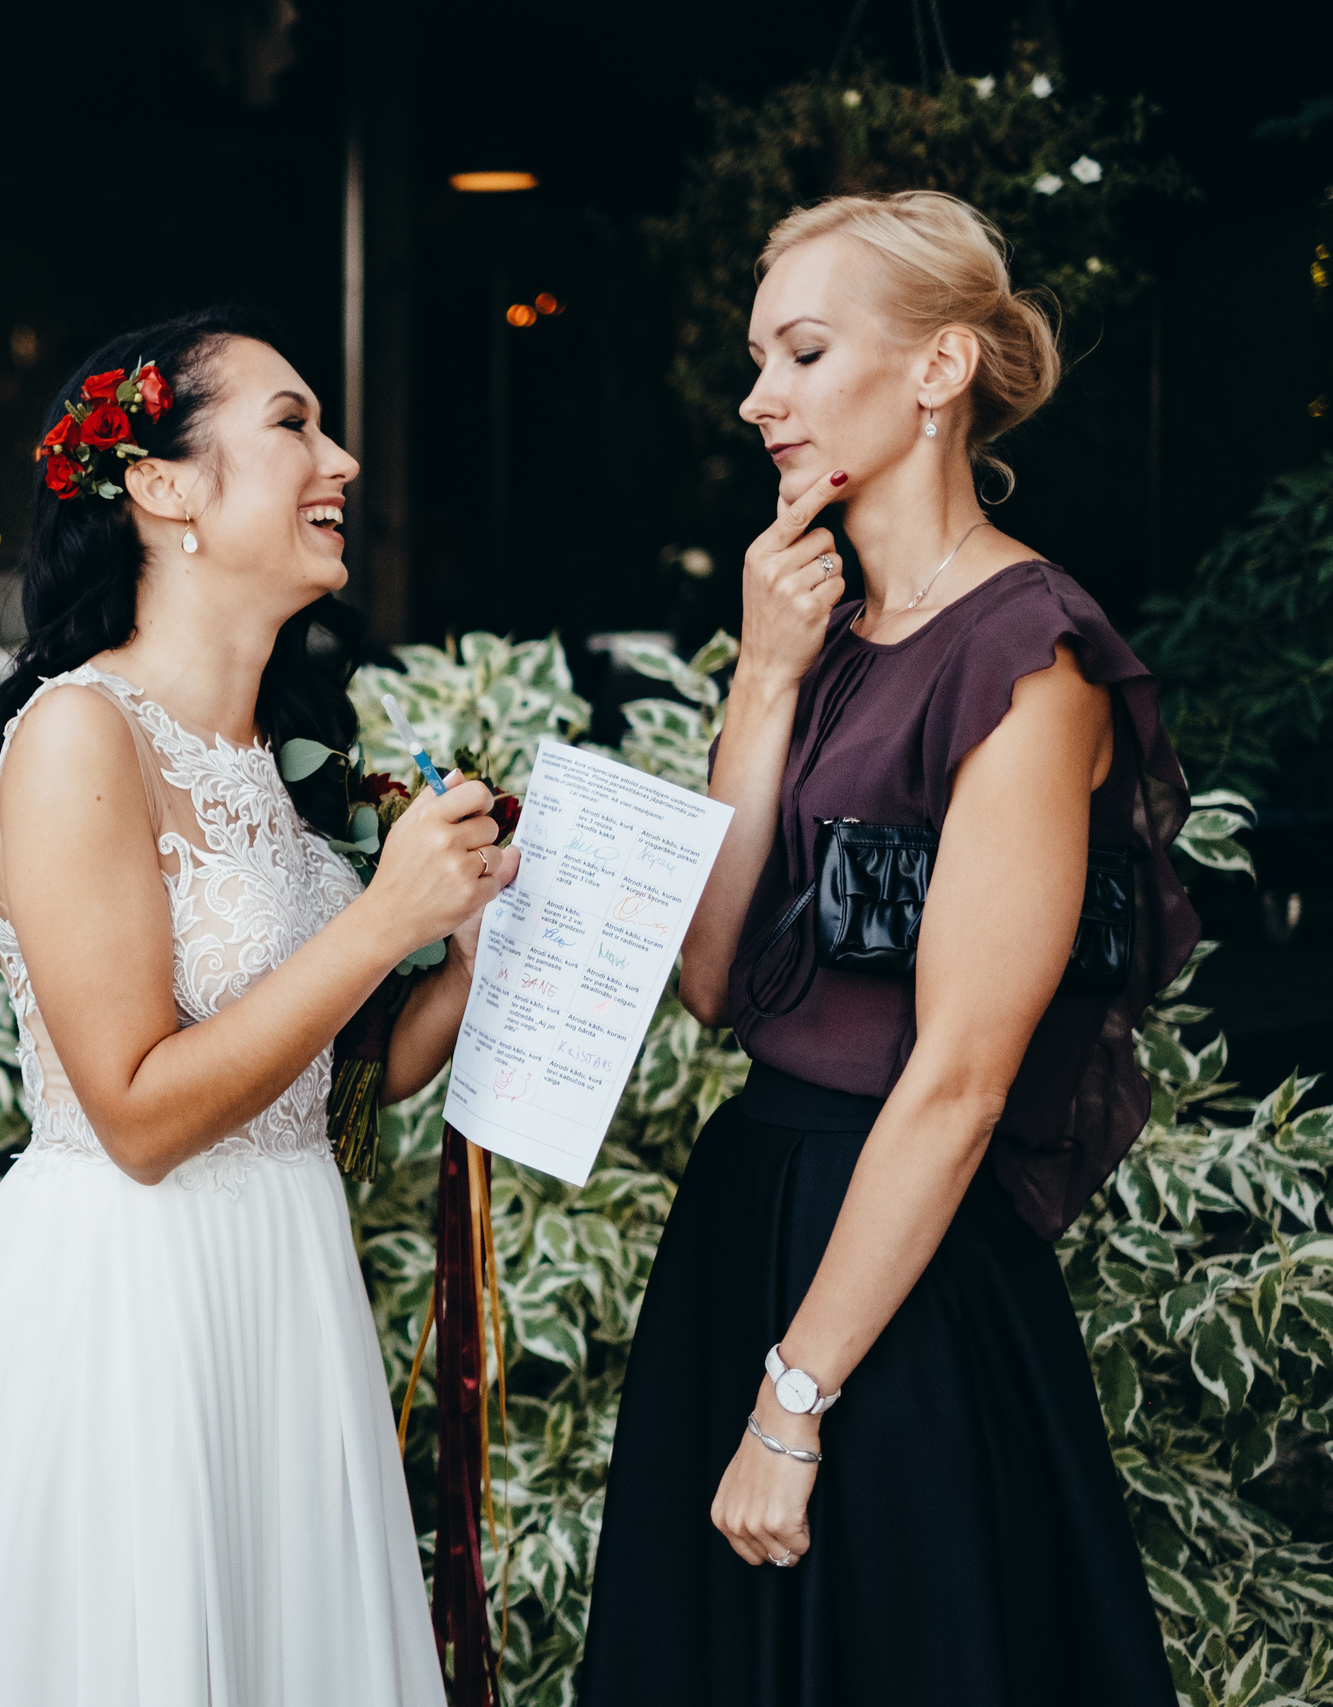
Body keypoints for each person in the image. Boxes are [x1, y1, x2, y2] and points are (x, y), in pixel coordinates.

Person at [576, 191, 1199, 1706]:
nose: (758, 399)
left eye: (800, 353)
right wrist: (763, 681)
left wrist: (794, 1399)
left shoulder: (1030, 656)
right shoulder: (826, 634)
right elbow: (715, 979)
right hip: (753, 1211)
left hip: (894, 1274)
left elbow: (963, 1081)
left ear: (938, 371)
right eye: (757, 361)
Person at [0, 307, 514, 1706]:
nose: (340, 459)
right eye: (293, 425)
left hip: (289, 1279)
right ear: (163, 486)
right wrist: (384, 920)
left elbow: (335, 1076)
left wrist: (462, 955)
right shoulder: (79, 735)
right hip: (133, 1298)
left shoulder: (277, 756)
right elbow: (142, 1115)